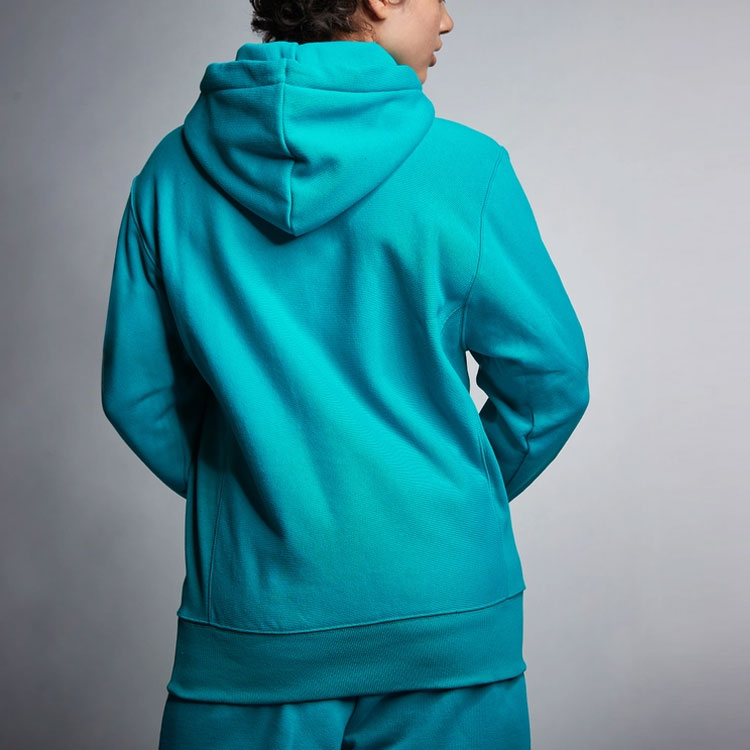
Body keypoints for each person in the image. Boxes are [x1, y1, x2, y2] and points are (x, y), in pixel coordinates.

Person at [100, 0, 590, 747]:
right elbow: (550, 380)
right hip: (444, 617)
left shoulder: (170, 175)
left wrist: (256, 489)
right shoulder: (466, 168)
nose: (448, 20)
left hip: (255, 621)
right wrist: (454, 490)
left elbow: (139, 395)